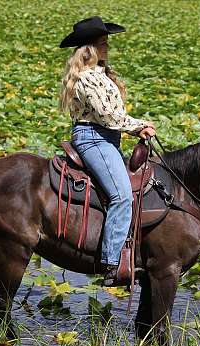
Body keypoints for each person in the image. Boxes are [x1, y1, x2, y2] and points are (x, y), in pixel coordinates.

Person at [58, 16, 156, 286]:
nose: (107, 46)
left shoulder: (100, 75)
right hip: (94, 139)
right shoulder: (86, 79)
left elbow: (113, 115)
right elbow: (108, 117)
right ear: (89, 49)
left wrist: (134, 125)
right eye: (103, 42)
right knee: (122, 195)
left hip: (107, 139)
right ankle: (112, 262)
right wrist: (138, 126)